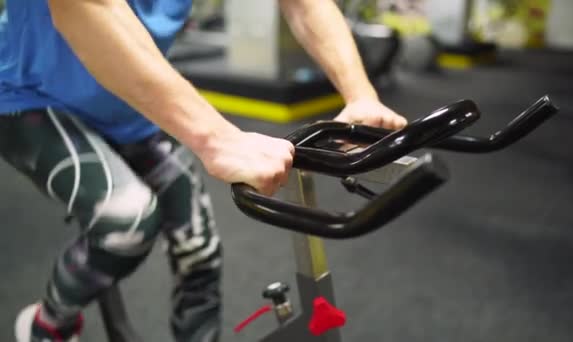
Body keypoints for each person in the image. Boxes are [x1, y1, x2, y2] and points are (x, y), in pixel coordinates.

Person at [0, 0, 407, 341]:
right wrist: (217, 140)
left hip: (128, 102)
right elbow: (84, 7)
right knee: (127, 221)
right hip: (31, 97)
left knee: (200, 253)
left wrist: (360, 95)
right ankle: (46, 325)